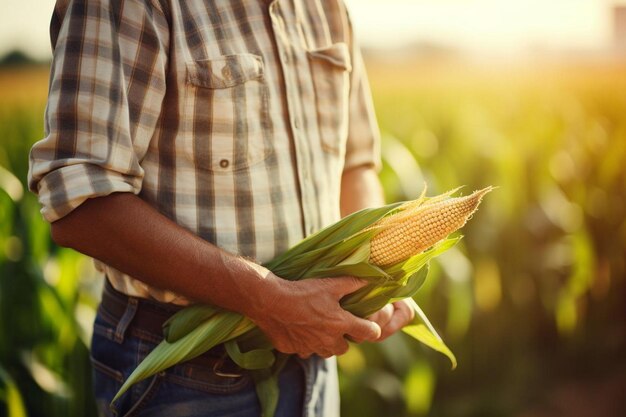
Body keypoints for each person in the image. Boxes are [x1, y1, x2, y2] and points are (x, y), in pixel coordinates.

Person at [28, 0, 415, 416]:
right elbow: (82, 206)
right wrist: (268, 300)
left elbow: (355, 163)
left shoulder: (327, 7)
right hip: (181, 369)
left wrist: (368, 273)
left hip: (314, 360)